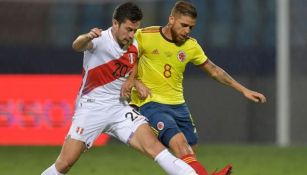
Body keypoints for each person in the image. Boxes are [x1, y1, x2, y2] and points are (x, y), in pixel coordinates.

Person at [41, 2, 198, 175]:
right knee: (64, 164)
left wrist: (134, 81)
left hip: (120, 109)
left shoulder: (134, 44)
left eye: (135, 30)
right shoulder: (99, 40)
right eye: (128, 29)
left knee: (155, 148)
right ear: (115, 23)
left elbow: (133, 64)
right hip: (92, 107)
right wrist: (87, 36)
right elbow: (76, 46)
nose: (131, 35)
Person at [124, 1, 267, 175]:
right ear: (171, 20)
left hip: (179, 106)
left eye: (190, 27)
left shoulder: (191, 46)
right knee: (181, 146)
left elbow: (214, 71)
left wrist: (243, 89)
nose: (187, 31)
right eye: (183, 25)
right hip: (151, 103)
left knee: (189, 155)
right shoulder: (145, 35)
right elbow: (126, 58)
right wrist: (135, 81)